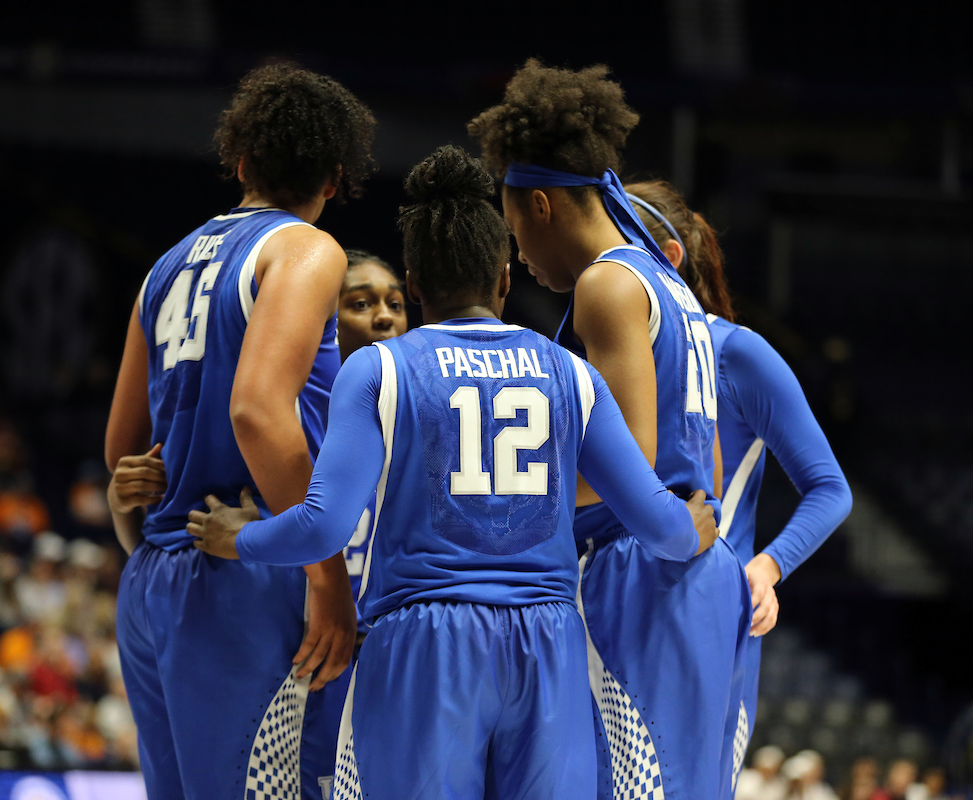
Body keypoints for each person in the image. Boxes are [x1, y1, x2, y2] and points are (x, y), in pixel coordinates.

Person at [189, 145, 719, 800]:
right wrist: (692, 526)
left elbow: (322, 528)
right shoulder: (571, 374)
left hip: (425, 642)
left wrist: (237, 538)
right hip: (548, 643)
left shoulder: (379, 369)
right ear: (504, 280)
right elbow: (661, 526)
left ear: (414, 284)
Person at [468, 59, 752, 800]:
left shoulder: (607, 284)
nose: (518, 257)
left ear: (540, 205)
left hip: (640, 568)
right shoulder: (669, 284)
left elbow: (630, 469)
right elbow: (704, 465)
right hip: (692, 564)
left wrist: (496, 511)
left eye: (514, 232)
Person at [102, 62, 374, 800]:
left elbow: (121, 455)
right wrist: (326, 574)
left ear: (242, 161)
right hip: (247, 567)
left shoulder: (163, 268)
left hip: (154, 579)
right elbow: (256, 411)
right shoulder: (305, 249)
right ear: (334, 179)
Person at [626, 178, 853, 764]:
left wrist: (766, 568)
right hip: (615, 600)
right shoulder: (602, 352)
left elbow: (830, 488)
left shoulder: (737, 353)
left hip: (700, 607)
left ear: (669, 257)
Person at [336, 249, 408, 634]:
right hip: (307, 639)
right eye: (361, 304)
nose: (384, 317)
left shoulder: (430, 412)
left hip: (397, 638)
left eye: (395, 304)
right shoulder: (290, 415)